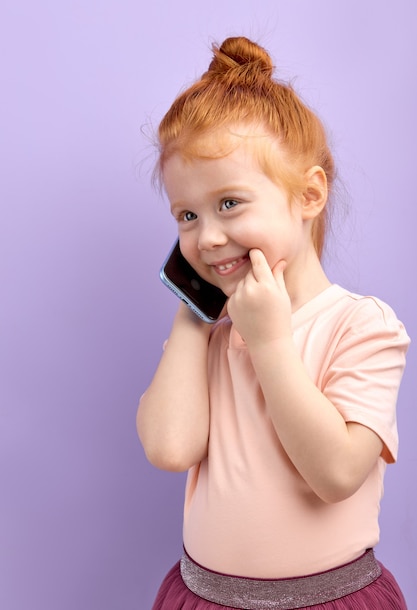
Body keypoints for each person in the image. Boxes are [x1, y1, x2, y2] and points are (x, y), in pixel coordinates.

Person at [137, 36, 410, 609]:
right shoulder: (207, 332)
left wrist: (269, 342)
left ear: (308, 194)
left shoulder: (362, 326)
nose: (208, 237)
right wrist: (194, 309)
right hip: (204, 595)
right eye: (187, 215)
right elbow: (169, 446)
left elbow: (337, 473)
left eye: (229, 203)